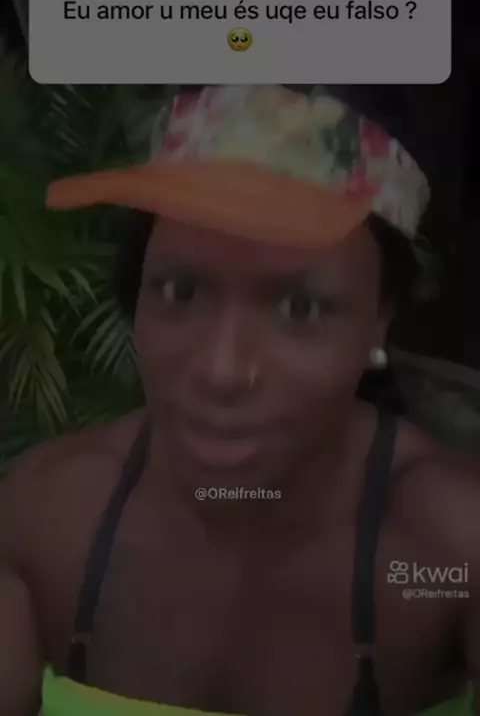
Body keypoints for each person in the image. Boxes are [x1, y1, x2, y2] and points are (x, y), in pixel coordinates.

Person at [0, 84, 478, 716]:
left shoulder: (453, 545)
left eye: (300, 307)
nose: (222, 370)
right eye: (181, 290)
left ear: (379, 320)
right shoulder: (50, 514)